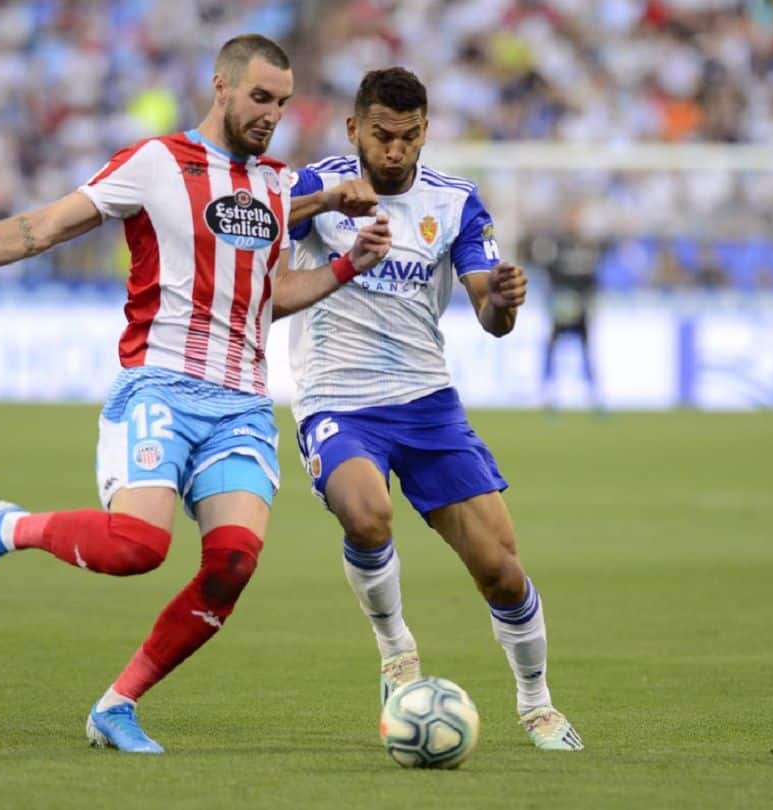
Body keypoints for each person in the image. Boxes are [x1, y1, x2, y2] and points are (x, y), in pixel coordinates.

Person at [0, 34, 391, 754]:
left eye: (282, 103)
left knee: (231, 566)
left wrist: (347, 267)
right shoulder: (156, 163)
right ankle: (9, 527)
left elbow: (266, 298)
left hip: (244, 405)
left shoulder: (280, 189)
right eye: (260, 97)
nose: (271, 115)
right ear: (220, 86)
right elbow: (43, 227)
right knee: (137, 547)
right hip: (160, 384)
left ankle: (117, 704)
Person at [286, 67, 583, 751]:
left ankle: (537, 705)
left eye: (410, 136)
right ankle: (397, 652)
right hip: (338, 399)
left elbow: (489, 313)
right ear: (354, 128)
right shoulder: (315, 186)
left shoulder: (455, 203)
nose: (395, 150)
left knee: (502, 570)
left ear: (426, 132)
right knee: (366, 512)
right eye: (383, 135)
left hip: (428, 404)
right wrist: (331, 198)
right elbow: (259, 219)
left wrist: (503, 302)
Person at [523, 222, 602, 410]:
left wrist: (589, 303)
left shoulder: (585, 252)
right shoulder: (559, 249)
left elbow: (592, 283)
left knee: (584, 352)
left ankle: (593, 396)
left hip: (579, 310)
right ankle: (548, 395)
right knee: (554, 350)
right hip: (562, 309)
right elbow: (550, 275)